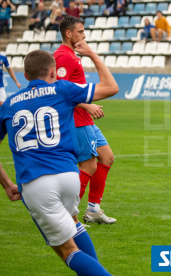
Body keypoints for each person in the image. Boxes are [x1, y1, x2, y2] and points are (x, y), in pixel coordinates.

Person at [0, 47, 118, 275]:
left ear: (25, 76)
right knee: (72, 223)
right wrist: (93, 56)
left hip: (36, 182)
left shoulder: (9, 104)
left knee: (67, 251)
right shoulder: (62, 89)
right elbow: (111, 87)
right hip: (69, 176)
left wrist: (6, 185)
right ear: (54, 72)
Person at [54, 16, 117, 224]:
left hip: (84, 119)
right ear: (69, 34)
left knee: (106, 157)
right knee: (88, 166)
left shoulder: (72, 55)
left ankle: (93, 210)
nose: (84, 35)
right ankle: (66, 216)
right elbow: (58, 91)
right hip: (76, 119)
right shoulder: (64, 56)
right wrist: (86, 105)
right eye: (80, 32)